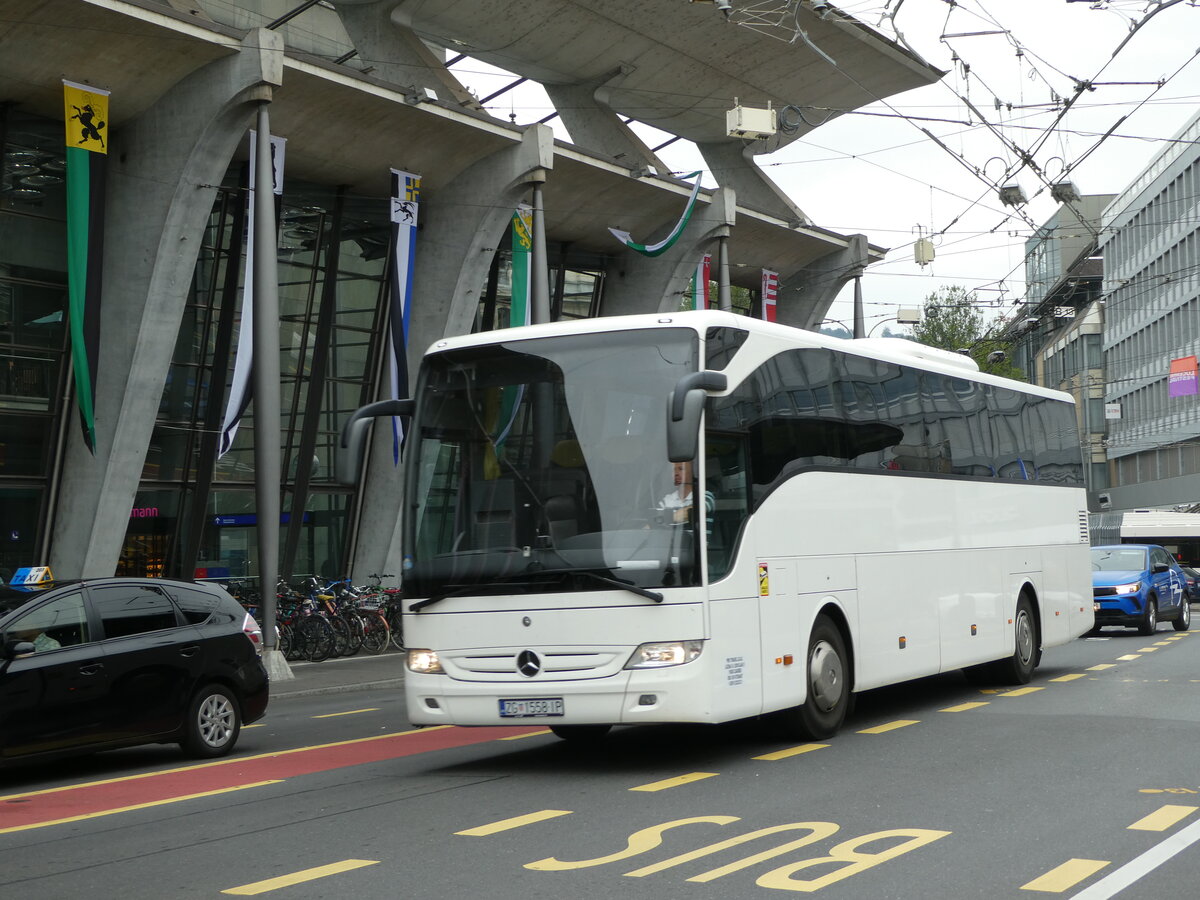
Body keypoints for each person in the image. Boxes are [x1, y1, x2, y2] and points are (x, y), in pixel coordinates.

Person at [658, 460, 715, 525]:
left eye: (681, 469)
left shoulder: (706, 496)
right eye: (673, 470)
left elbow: (694, 512)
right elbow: (654, 520)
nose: (675, 473)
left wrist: (663, 519)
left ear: (693, 473)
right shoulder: (667, 499)